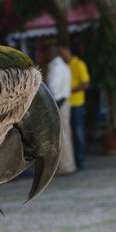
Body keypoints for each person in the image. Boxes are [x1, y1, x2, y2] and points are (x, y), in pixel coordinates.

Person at [45, 45, 76, 175]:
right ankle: (69, 164)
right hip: (65, 102)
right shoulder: (64, 66)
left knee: (61, 135)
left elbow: (53, 87)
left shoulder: (56, 68)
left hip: (59, 103)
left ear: (51, 54)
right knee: (65, 134)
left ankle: (65, 166)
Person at [58, 41, 89, 170]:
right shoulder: (64, 66)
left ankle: (80, 159)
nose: (59, 55)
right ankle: (74, 160)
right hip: (67, 103)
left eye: (61, 52)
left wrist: (69, 90)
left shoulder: (79, 64)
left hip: (77, 103)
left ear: (67, 50)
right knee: (69, 133)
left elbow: (86, 84)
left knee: (78, 132)